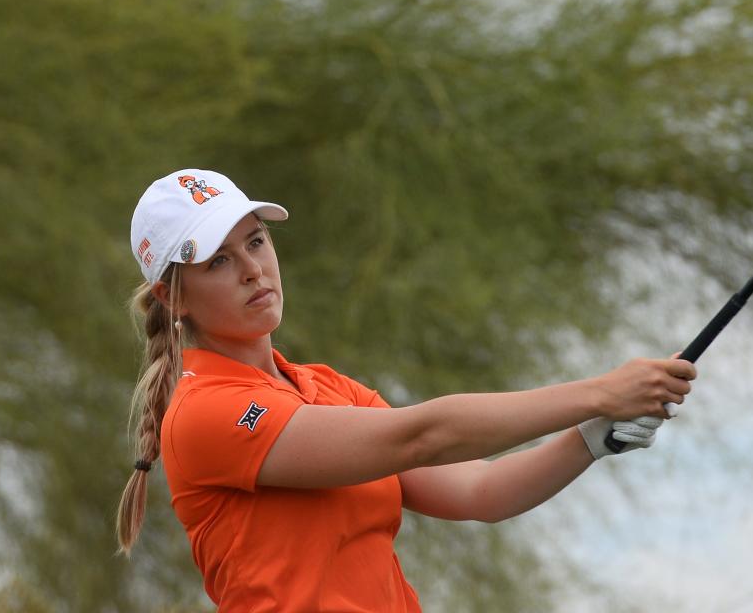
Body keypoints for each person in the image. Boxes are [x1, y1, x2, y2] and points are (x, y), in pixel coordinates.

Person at [115, 168, 696, 612]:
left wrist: (589, 440)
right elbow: (423, 436)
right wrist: (601, 392)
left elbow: (480, 490)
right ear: (175, 298)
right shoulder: (204, 412)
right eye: (218, 261)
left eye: (257, 242)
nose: (252, 269)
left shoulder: (325, 387)